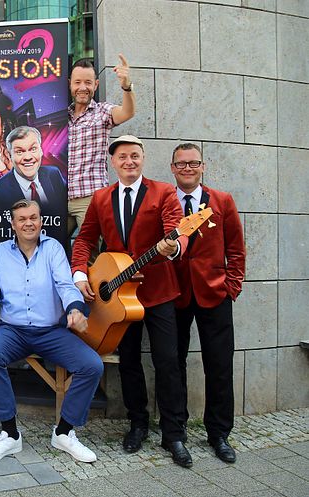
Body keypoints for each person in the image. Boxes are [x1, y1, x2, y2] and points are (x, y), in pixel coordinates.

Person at [71, 135, 193, 467]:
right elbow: (84, 239)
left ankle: (174, 434)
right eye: (123, 156)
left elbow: (176, 229)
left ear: (142, 159)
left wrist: (175, 246)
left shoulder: (164, 192)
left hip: (158, 293)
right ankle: (137, 423)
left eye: (135, 156)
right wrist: (80, 274)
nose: (129, 161)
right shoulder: (101, 197)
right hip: (118, 299)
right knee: (129, 363)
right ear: (113, 161)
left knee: (168, 361)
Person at [0, 200, 103, 464]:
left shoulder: (53, 248)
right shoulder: (0, 252)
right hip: (13, 330)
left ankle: (64, 432)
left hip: (50, 332)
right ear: (13, 224)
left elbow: (65, 285)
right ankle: (9, 435)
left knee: (92, 365)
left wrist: (75, 309)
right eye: (22, 219)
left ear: (41, 221)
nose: (28, 223)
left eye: (33, 217)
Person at [169, 143, 246, 463]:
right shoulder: (164, 200)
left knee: (219, 365)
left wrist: (232, 286)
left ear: (203, 167)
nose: (187, 168)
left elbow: (236, 248)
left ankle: (218, 434)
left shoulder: (222, 201)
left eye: (193, 163)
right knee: (173, 365)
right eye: (181, 164)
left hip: (215, 294)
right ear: (172, 168)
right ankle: (176, 432)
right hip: (175, 295)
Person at [66, 56, 135, 236]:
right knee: (49, 248)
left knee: (91, 253)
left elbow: (127, 112)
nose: (83, 87)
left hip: (90, 198)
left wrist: (127, 86)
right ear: (70, 84)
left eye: (88, 82)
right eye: (77, 82)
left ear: (96, 85)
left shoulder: (102, 112)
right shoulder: (60, 116)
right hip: (59, 198)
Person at [0, 126, 67, 221]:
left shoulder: (54, 174)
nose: (27, 157)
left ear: (41, 151)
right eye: (19, 151)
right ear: (10, 156)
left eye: (33, 149)